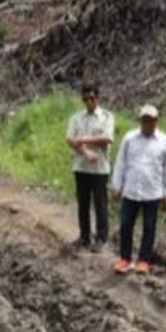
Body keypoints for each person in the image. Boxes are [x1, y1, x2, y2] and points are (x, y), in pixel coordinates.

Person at [110, 104, 166, 274]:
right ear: (140, 120)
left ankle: (143, 260)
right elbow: (121, 163)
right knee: (125, 225)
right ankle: (125, 258)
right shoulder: (129, 138)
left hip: (152, 192)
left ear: (156, 121)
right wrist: (116, 186)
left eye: (152, 120)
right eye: (145, 120)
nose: (148, 123)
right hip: (131, 190)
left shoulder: (165, 141)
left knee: (149, 227)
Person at [65, 83, 115, 253]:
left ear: (98, 98)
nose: (89, 102)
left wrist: (83, 139)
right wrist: (85, 151)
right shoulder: (76, 118)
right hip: (81, 166)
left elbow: (107, 138)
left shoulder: (106, 117)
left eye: (92, 98)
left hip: (100, 168)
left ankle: (102, 238)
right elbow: (70, 140)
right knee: (83, 203)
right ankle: (84, 236)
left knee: (101, 203)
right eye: (85, 99)